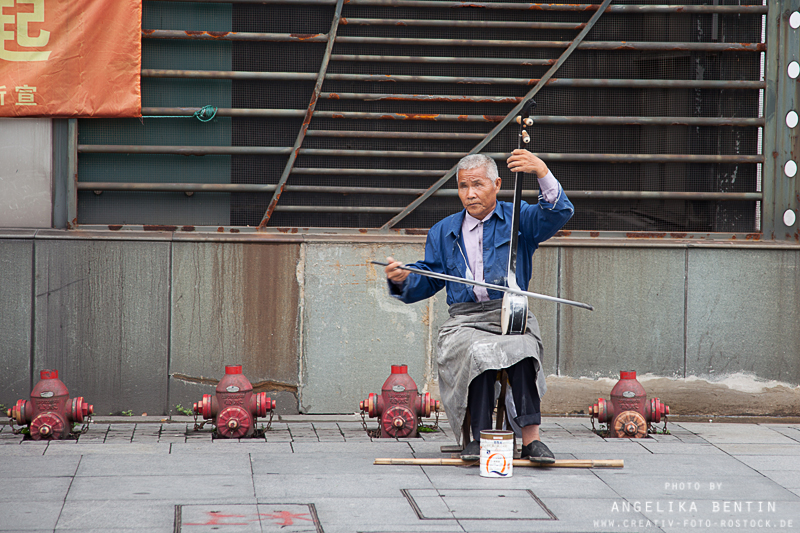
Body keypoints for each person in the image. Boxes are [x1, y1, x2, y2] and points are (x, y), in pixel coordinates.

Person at [383, 149, 573, 463]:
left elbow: (558, 213)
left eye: (478, 185)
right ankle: (479, 437)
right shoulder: (443, 231)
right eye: (462, 186)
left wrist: (542, 171)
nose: (470, 194)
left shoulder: (519, 219)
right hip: (465, 320)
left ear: (497, 184)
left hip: (510, 315)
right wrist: (403, 279)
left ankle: (531, 440)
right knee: (476, 351)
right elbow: (430, 278)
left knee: (524, 348)